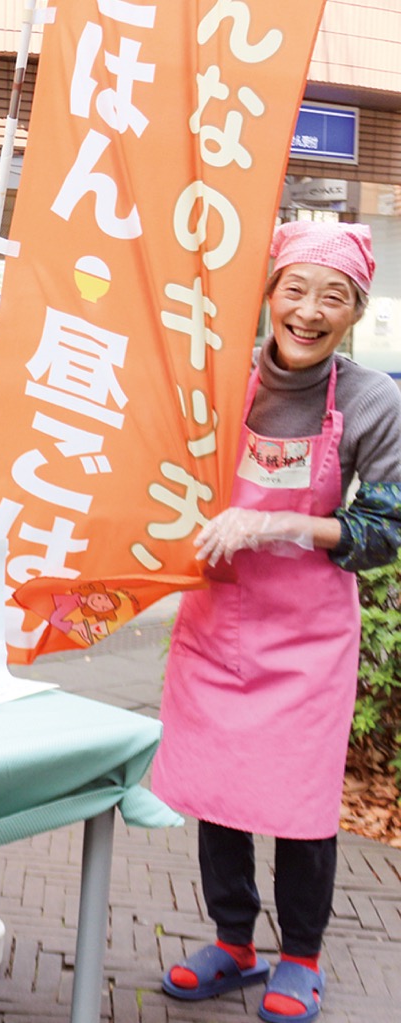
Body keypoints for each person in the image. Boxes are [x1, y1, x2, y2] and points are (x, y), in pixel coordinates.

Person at [154, 221, 401, 1023]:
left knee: (298, 801)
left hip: (308, 635)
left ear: (355, 311)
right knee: (219, 791)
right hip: (218, 618)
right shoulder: (220, 379)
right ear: (268, 294)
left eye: (334, 296)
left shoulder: (370, 400)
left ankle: (301, 953)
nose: (309, 310)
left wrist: (278, 525)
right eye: (294, 288)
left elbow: (389, 530)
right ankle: (233, 941)